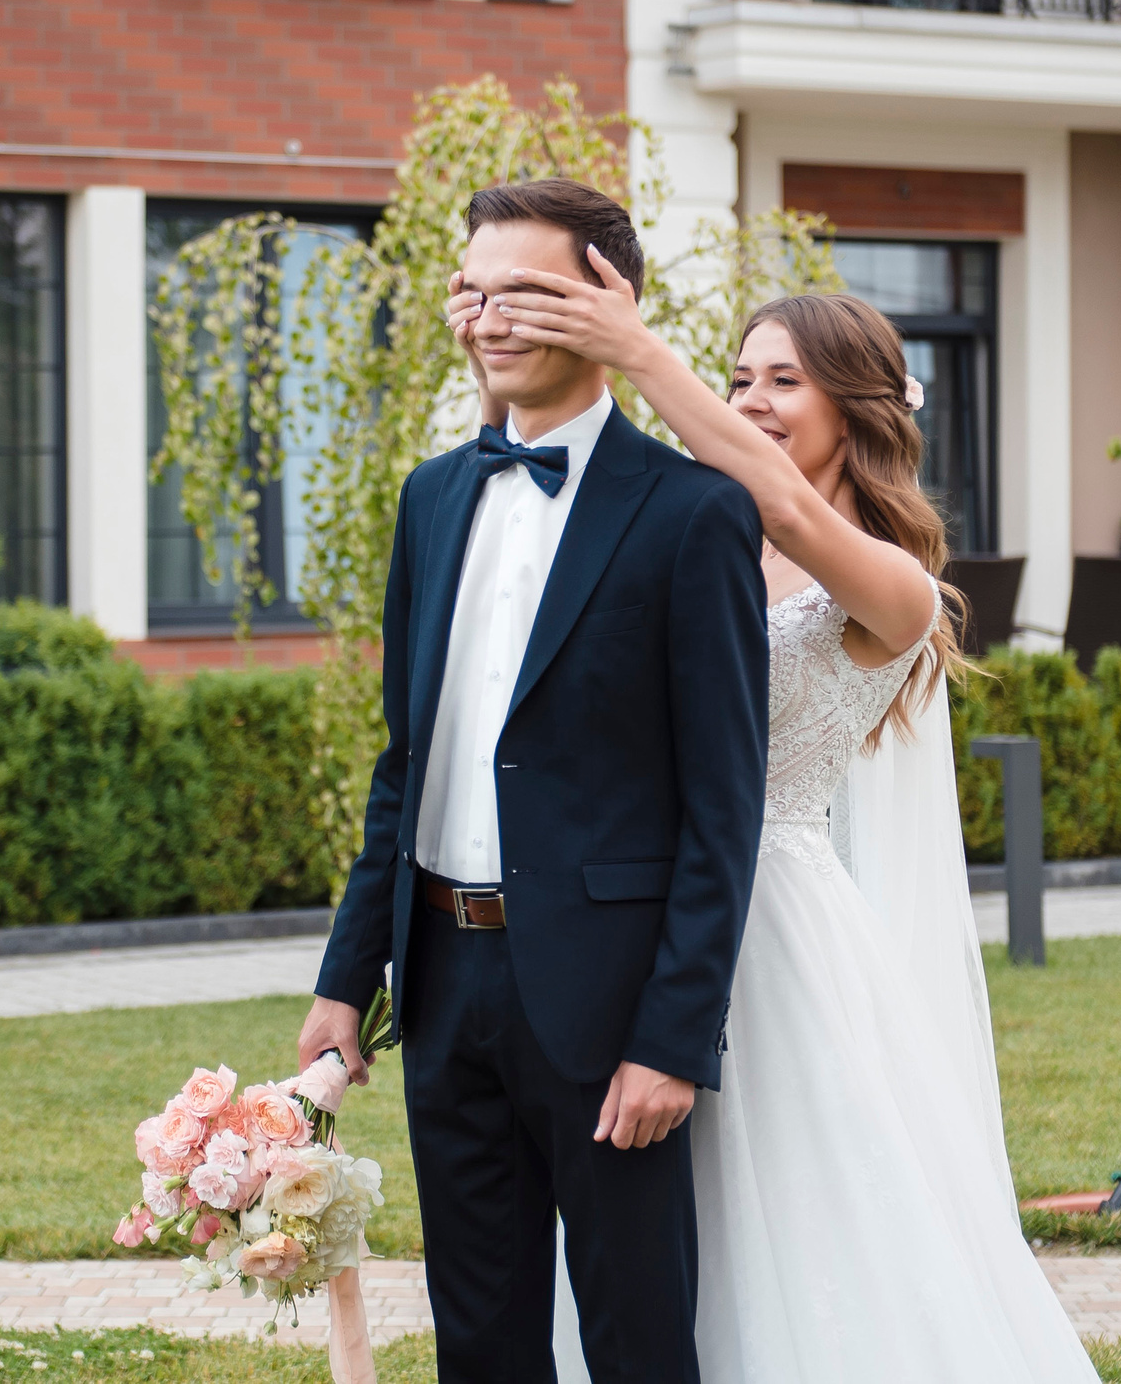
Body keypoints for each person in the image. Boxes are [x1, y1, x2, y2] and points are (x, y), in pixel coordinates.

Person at [453, 261, 1103, 1383]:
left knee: (794, 1214)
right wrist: (503, 370)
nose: (750, 397)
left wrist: (633, 349)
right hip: (634, 918)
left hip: (769, 934)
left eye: (783, 379)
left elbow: (792, 508)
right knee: (630, 1226)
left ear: (856, 405)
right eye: (738, 375)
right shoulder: (692, 532)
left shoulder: (891, 586)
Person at [299, 178, 770, 1384]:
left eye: (528, 292)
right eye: (473, 289)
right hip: (442, 983)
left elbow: (725, 807)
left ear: (610, 302)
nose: (490, 317)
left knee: (635, 1336)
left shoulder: (693, 513)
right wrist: (348, 977)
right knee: (481, 1336)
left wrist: (675, 1038)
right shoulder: (432, 496)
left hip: (607, 1003)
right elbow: (408, 759)